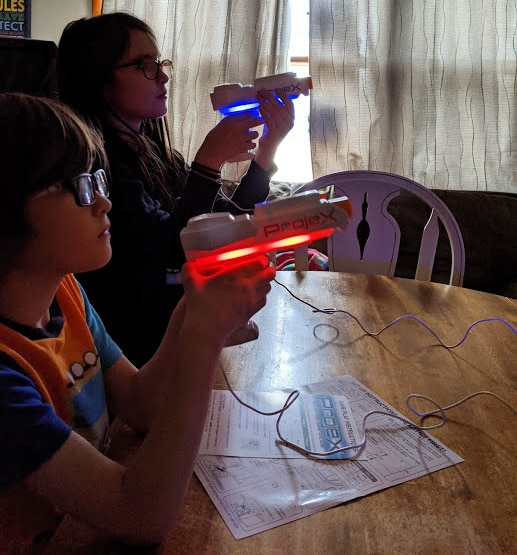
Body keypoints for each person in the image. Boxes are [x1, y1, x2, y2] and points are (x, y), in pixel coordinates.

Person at [0, 92, 276, 553]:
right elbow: (140, 517)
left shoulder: (65, 293)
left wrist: (192, 310)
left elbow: (140, 404)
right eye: (80, 186)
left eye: (99, 181)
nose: (104, 203)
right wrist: (204, 341)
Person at [56, 12, 294, 366]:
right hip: (143, 348)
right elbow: (174, 248)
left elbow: (230, 225)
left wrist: (267, 150)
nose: (163, 76)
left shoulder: (154, 152)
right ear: (101, 80)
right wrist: (208, 164)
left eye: (161, 63)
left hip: (180, 325)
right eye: (145, 65)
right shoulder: (96, 167)